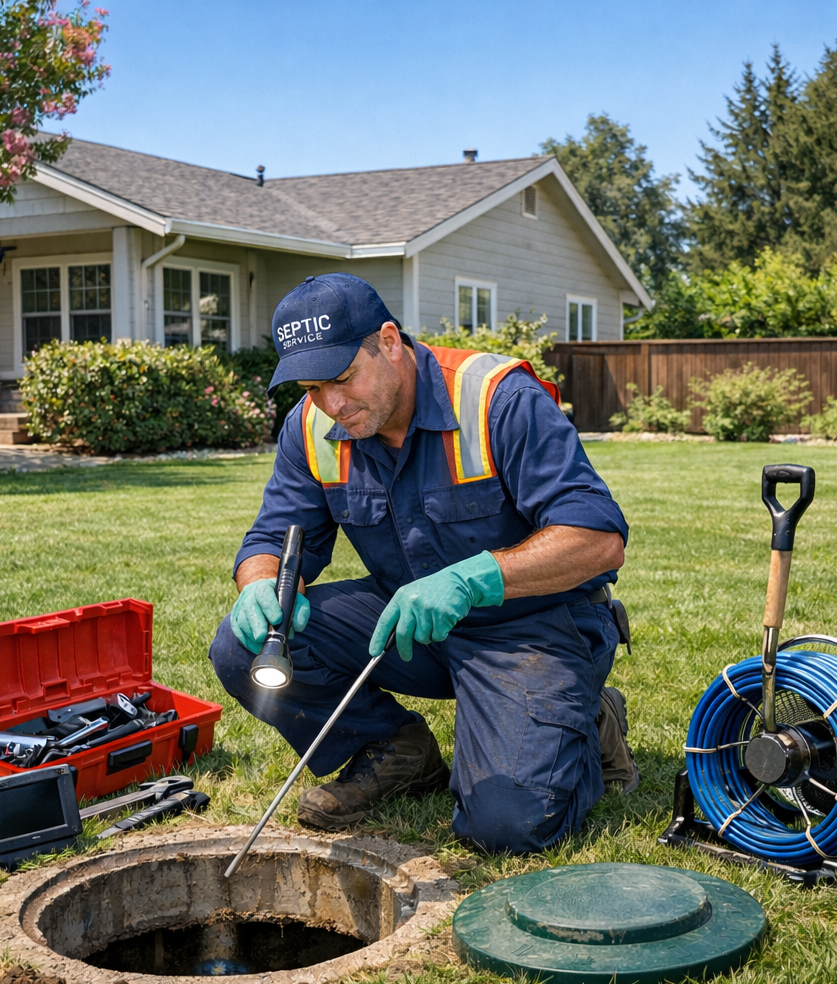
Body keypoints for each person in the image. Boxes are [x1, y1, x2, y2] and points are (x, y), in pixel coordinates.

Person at [209, 273, 637, 853]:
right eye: (312, 387)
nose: (331, 404)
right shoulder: (312, 429)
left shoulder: (497, 399)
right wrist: (261, 584)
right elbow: (274, 536)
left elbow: (598, 538)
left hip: (533, 627)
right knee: (243, 646)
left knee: (505, 827)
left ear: (388, 342)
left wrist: (473, 578)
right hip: (404, 620)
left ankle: (588, 722)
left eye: (341, 378)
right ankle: (396, 750)